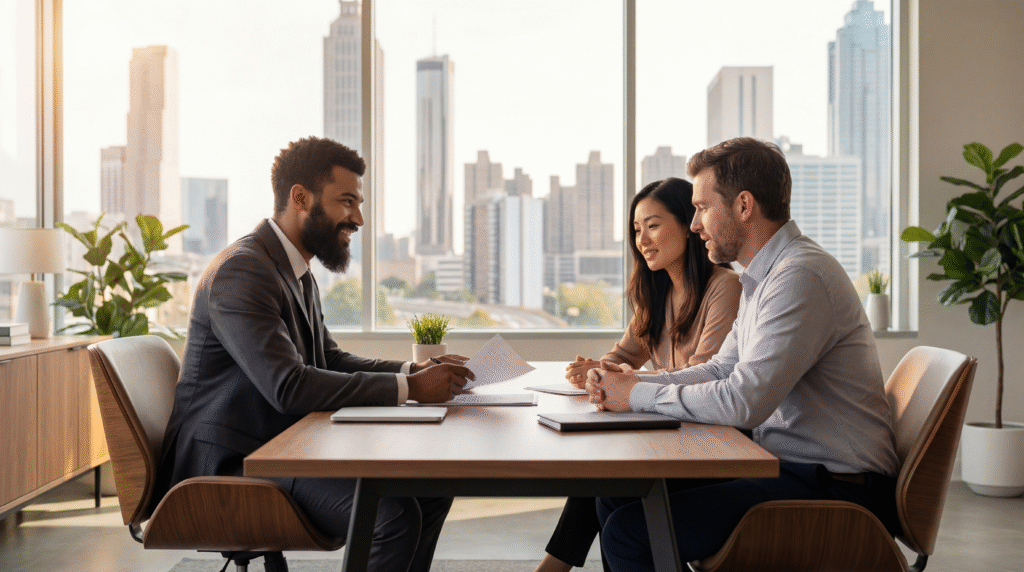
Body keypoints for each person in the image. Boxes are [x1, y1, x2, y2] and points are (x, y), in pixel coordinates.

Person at [153, 136, 473, 572]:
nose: (358, 219)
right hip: (231, 464)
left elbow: (329, 359)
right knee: (391, 516)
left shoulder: (294, 269)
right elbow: (288, 386)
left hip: (280, 445)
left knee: (431, 490)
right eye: (347, 201)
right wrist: (411, 388)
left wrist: (414, 369)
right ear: (300, 198)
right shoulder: (242, 270)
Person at [586, 137, 900, 570]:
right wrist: (631, 383)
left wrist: (637, 395)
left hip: (837, 488)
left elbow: (744, 401)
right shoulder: (763, 277)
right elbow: (722, 368)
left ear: (744, 206)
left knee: (628, 532)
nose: (695, 225)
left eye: (702, 208)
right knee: (615, 494)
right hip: (787, 468)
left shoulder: (799, 276)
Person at [536, 178, 741, 572]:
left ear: (689, 225)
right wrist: (598, 373)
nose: (642, 240)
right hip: (675, 434)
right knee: (604, 479)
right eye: (636, 230)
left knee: (607, 477)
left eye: (653, 225)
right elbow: (624, 354)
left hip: (713, 444)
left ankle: (551, 568)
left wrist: (624, 381)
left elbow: (705, 375)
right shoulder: (657, 292)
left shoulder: (725, 287)